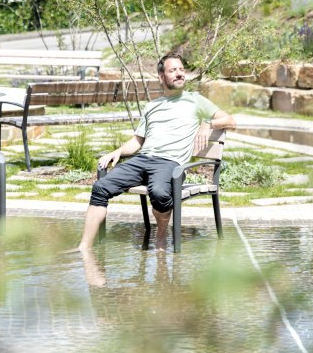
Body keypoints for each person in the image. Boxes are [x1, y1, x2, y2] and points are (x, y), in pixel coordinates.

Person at [78, 53, 236, 251]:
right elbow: (138, 141)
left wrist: (207, 123)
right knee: (100, 188)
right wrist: (117, 151)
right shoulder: (152, 106)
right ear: (162, 77)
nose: (179, 74)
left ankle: (160, 238)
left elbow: (231, 121)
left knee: (160, 193)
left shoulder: (195, 101)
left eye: (181, 70)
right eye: (173, 71)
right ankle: (84, 248)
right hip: (142, 160)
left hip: (170, 163)